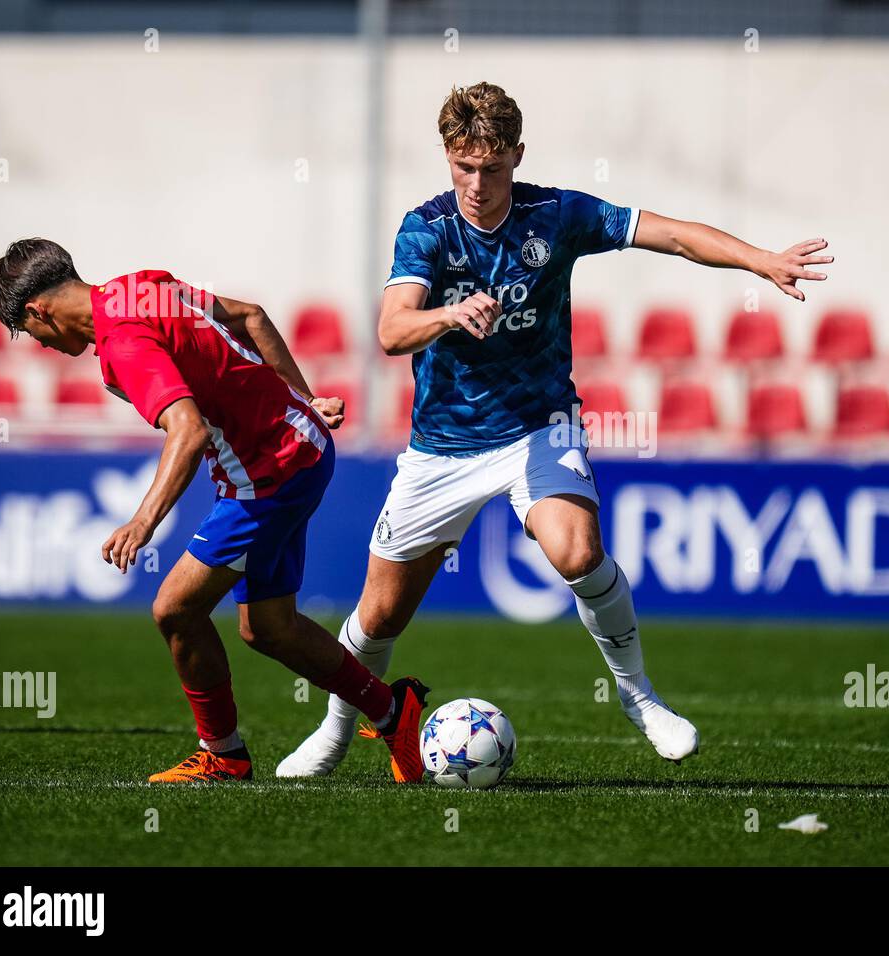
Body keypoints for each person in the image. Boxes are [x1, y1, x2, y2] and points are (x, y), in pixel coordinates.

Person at [277, 82, 833, 777]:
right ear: (448, 159)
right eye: (463, 168)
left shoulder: (556, 214)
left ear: (516, 155)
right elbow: (392, 330)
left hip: (540, 429)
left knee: (576, 553)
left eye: (492, 167)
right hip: (442, 448)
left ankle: (639, 697)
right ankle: (333, 733)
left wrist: (762, 260)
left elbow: (673, 234)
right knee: (380, 613)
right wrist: (448, 316)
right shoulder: (429, 229)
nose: (477, 184)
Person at [0, 240, 430, 783]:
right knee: (268, 627)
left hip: (270, 473)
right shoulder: (138, 287)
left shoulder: (122, 344)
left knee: (174, 609)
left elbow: (187, 431)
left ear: (38, 310)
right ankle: (391, 710)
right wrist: (303, 401)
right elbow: (251, 317)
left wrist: (142, 521)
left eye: (33, 335)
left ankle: (223, 754)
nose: (43, 346)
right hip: (296, 449)